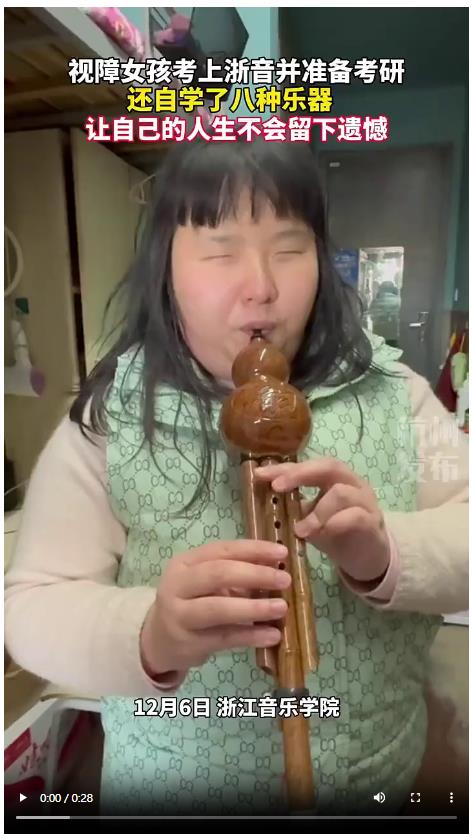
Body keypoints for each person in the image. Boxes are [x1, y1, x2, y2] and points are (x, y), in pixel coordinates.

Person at [4, 138, 468, 818]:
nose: (262, 286)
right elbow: (31, 609)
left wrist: (387, 552)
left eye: (290, 247)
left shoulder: (394, 395)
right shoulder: (113, 418)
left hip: (375, 777)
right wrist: (150, 632)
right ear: (165, 267)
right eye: (221, 251)